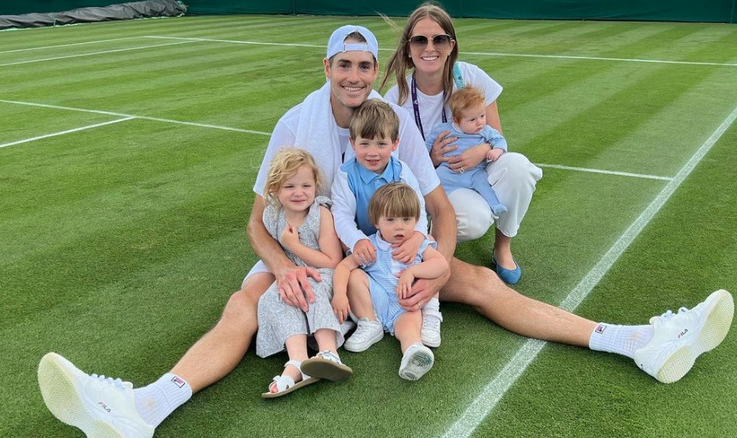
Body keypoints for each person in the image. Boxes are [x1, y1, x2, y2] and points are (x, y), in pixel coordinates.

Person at [36, 22, 734, 438]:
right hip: (305, 253)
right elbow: (256, 220)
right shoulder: (294, 122)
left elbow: (433, 201)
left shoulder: (383, 119)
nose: (354, 76)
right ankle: (143, 408)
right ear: (327, 68)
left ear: (376, 72)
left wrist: (433, 255)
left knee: (482, 283)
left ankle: (638, 341)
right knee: (241, 308)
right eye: (344, 64)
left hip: (391, 256)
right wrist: (284, 265)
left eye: (365, 65)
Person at [382, 2, 543, 284]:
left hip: (481, 167)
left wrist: (480, 150)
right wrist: (431, 158)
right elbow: (395, 168)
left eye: (439, 39)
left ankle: (502, 247)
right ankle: (431, 241)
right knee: (474, 220)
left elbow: (496, 136)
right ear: (408, 47)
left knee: (519, 167)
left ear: (451, 45)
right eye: (420, 40)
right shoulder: (396, 99)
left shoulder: (470, 76)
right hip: (439, 182)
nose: (429, 47)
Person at [330, 98, 444, 351]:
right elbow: (342, 215)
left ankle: (431, 316)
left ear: (395, 144)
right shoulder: (346, 175)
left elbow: (419, 208)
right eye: (365, 143)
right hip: (370, 248)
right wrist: (357, 240)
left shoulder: (401, 170)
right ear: (352, 142)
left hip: (404, 241)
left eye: (381, 144)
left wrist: (417, 236)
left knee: (429, 259)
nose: (373, 152)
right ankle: (369, 322)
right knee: (355, 276)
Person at [254, 148, 352, 398]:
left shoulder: (320, 214)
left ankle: (329, 352)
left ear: (316, 186)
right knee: (276, 295)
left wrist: (294, 246)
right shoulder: (272, 215)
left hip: (323, 275)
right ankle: (297, 360)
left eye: (306, 185)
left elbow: (332, 261)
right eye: (289, 187)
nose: (299, 192)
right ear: (275, 189)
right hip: (293, 274)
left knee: (313, 288)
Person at [333, 182, 449, 381]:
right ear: (376, 222)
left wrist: (412, 271)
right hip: (376, 302)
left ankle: (413, 353)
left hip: (404, 305)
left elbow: (441, 265)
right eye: (390, 220)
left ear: (416, 220)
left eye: (406, 219)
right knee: (356, 276)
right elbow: (344, 267)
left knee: (409, 329)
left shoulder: (419, 244)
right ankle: (369, 323)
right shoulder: (369, 245)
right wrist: (340, 294)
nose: (399, 227)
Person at [426, 85, 509, 217]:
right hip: (449, 170)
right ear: (456, 121)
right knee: (436, 183)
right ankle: (426, 211)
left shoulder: (485, 130)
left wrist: (497, 150)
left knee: (483, 183)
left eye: (482, 116)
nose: (480, 122)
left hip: (475, 172)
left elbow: (499, 140)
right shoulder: (445, 130)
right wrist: (427, 155)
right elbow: (428, 143)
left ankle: (495, 205)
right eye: (472, 119)